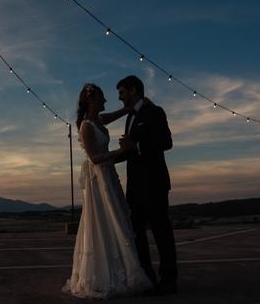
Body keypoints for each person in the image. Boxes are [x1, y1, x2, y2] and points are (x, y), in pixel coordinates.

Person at [62, 83, 152, 299]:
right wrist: (123, 150)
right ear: (92, 101)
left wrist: (130, 108)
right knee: (103, 219)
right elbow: (94, 158)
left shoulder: (98, 120)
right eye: (102, 98)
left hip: (109, 176)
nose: (105, 102)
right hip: (99, 178)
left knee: (117, 219)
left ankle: (119, 269)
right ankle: (103, 275)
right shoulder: (86, 126)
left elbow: (112, 115)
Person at [116, 75, 178, 295]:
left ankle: (169, 279)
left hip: (154, 183)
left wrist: (137, 144)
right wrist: (105, 160)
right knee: (136, 232)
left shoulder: (155, 111)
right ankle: (147, 277)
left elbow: (166, 142)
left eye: (122, 92)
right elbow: (131, 150)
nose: (119, 97)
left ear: (133, 91)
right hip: (134, 187)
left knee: (161, 231)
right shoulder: (130, 117)